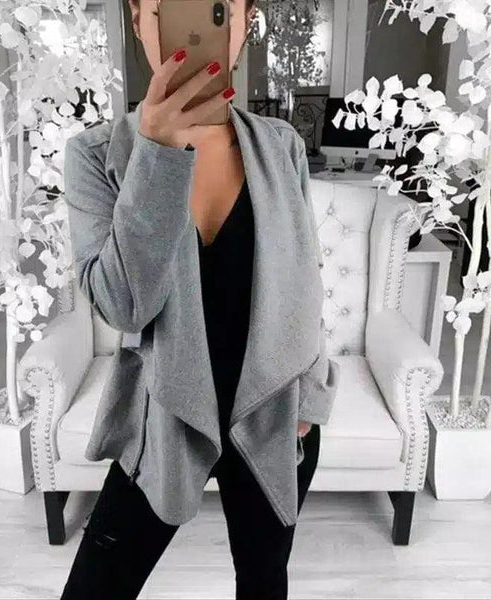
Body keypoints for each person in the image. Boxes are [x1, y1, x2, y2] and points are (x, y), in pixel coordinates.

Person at [60, 0, 339, 598]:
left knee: (263, 582)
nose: (190, 28)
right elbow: (122, 306)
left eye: (217, 9)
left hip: (274, 413)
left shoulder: (281, 145)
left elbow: (306, 282)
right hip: (163, 415)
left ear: (243, 23)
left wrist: (311, 399)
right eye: (168, 8)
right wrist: (158, 153)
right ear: (139, 19)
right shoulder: (95, 154)